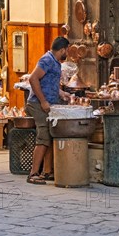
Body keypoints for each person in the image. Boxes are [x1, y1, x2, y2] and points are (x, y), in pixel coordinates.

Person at [25, 37, 71, 185]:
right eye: (67, 50)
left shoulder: (56, 62)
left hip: (48, 103)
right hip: (38, 104)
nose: (68, 53)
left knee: (50, 137)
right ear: (63, 49)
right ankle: (33, 173)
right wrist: (43, 101)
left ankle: (47, 171)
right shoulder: (47, 60)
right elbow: (33, 79)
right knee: (43, 137)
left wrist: (61, 93)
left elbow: (48, 82)